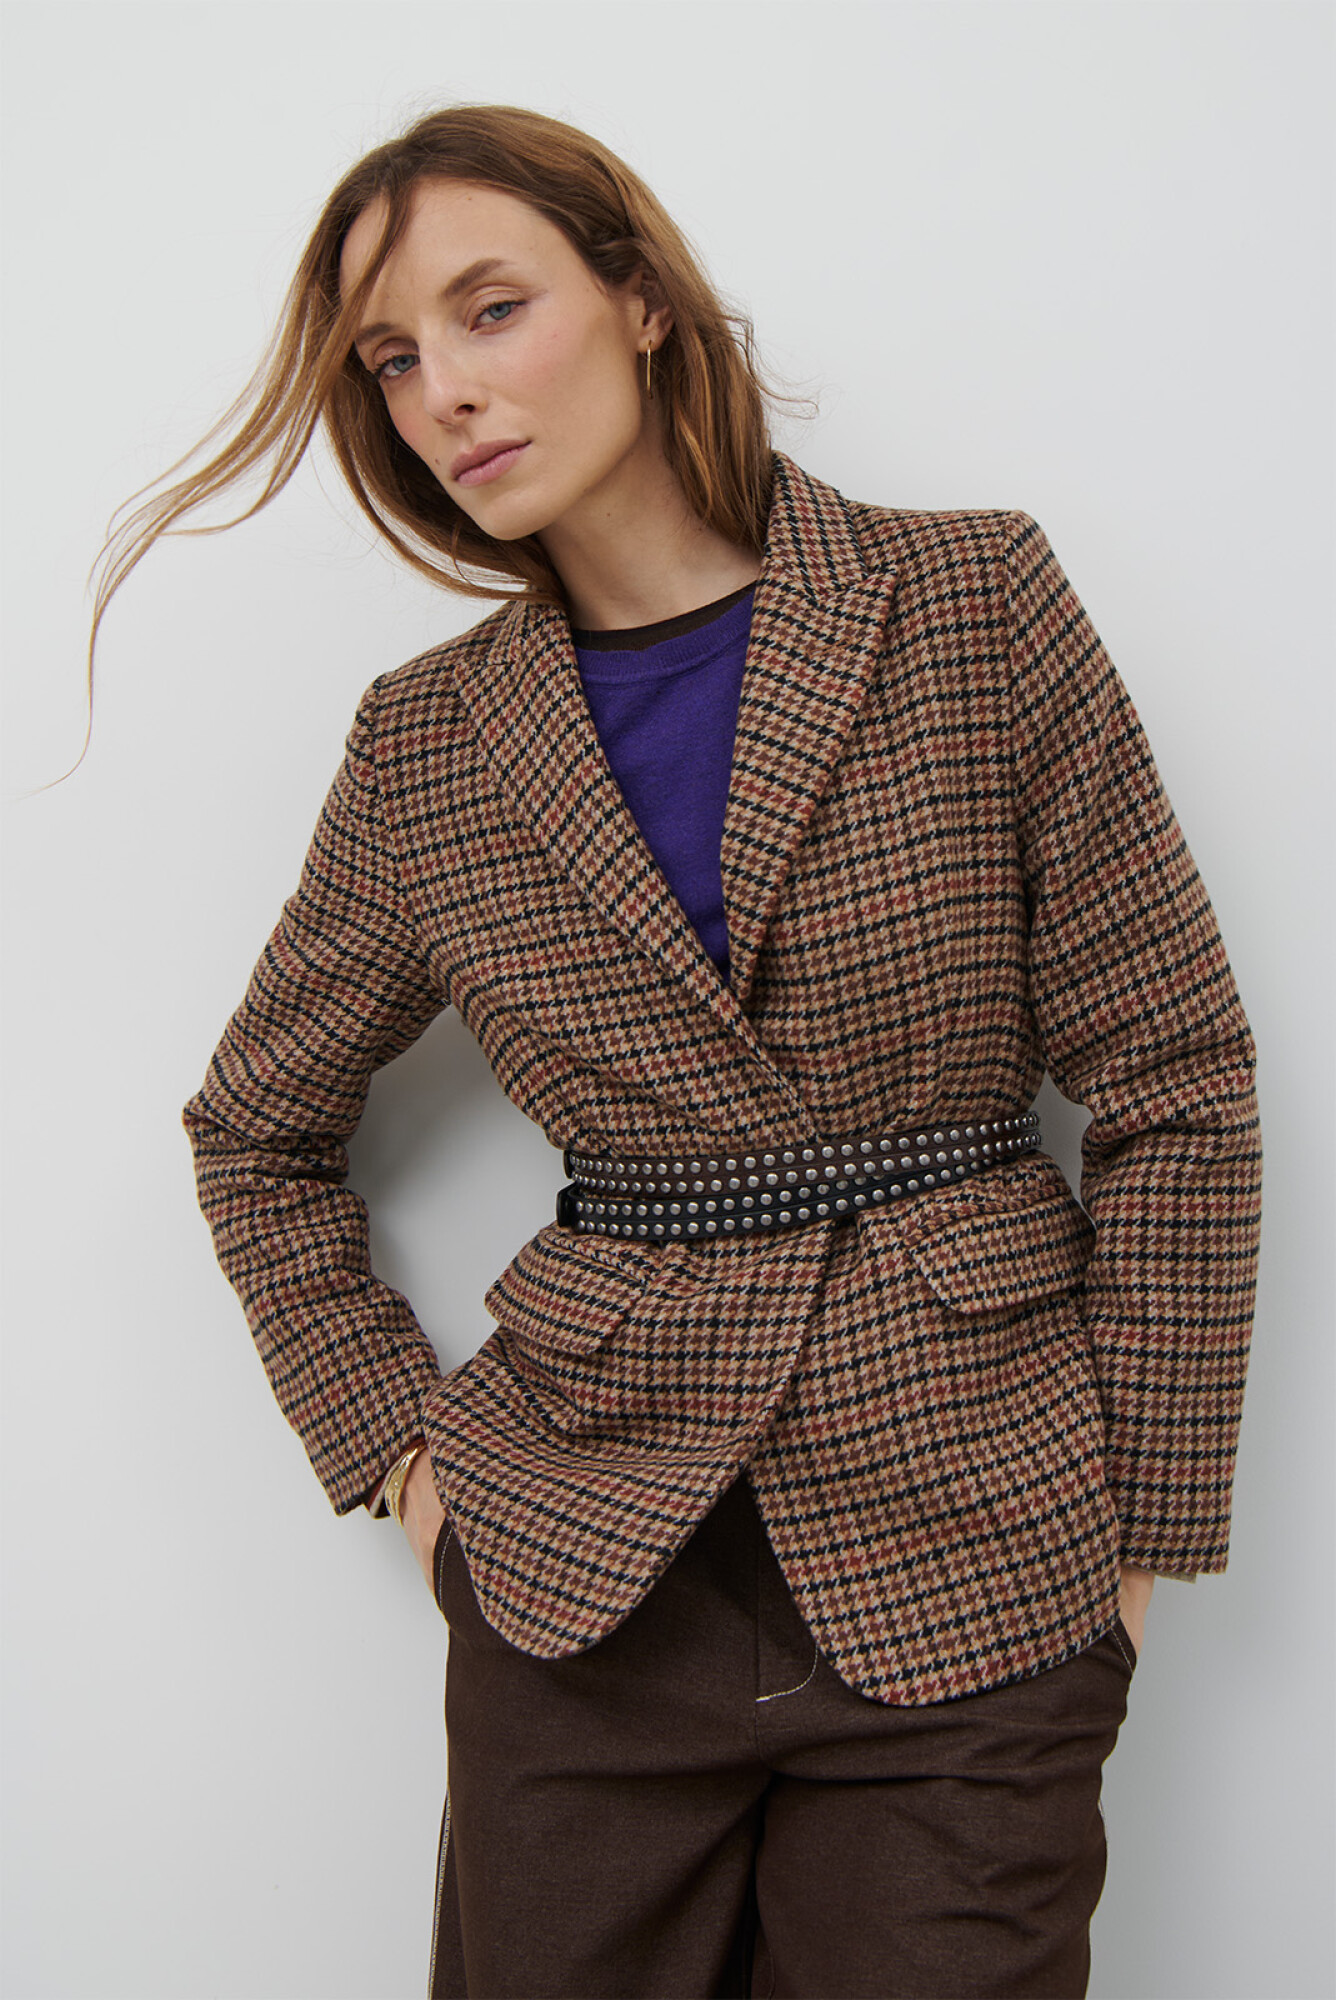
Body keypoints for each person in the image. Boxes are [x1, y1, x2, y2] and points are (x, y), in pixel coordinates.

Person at [95, 104, 1262, 1999]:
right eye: (391, 359)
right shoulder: (427, 746)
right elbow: (255, 1133)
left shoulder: (972, 602)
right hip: (583, 1580)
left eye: (492, 309)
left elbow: (1177, 1077)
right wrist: (402, 1464)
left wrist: (1142, 1533)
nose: (445, 392)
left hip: (978, 1541)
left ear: (641, 301)